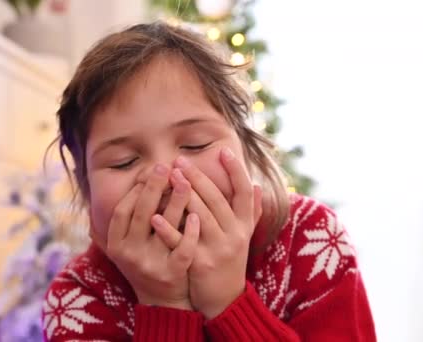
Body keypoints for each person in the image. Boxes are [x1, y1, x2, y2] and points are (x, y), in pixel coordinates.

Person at [44, 21, 376, 341]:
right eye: (124, 162)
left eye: (196, 144)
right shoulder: (76, 297)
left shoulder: (310, 239)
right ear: (85, 188)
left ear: (245, 147)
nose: (167, 176)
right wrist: (164, 306)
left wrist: (228, 303)